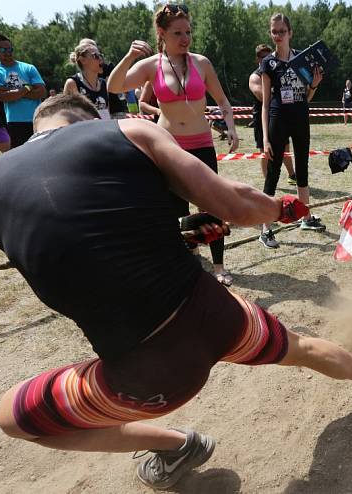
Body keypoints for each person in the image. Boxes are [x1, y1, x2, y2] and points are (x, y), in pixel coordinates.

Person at [0, 93, 352, 490]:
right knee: (301, 347)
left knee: (13, 419)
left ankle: (177, 445)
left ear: (37, 131)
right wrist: (280, 208)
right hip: (217, 316)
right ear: (91, 120)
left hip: (149, 374)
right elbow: (235, 205)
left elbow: (70, 257)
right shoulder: (129, 130)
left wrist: (176, 238)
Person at [107, 4, 240, 286]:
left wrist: (231, 128)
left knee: (210, 203)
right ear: (162, 33)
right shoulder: (151, 65)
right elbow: (114, 86)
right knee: (173, 209)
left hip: (202, 143)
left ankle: (218, 267)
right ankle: (182, 264)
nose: (185, 38)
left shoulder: (202, 63)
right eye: (178, 32)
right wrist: (130, 56)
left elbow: (223, 101)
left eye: (188, 32)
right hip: (167, 145)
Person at [259, 12, 327, 246]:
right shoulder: (268, 63)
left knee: (303, 168)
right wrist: (266, 139)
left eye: (282, 31)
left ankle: (305, 217)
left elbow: (306, 96)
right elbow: (266, 104)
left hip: (300, 117)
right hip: (278, 118)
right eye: (274, 31)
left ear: (290, 33)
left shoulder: (302, 59)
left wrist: (315, 85)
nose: (278, 35)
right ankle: (266, 227)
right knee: (275, 170)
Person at [247, 43, 296, 228]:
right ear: (257, 59)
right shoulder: (254, 76)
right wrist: (277, 89)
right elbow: (262, 96)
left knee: (285, 148)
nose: (265, 58)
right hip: (262, 119)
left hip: (278, 119)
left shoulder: (276, 71)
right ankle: (267, 182)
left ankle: (292, 175)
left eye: (267, 55)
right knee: (265, 152)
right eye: (261, 56)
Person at [0, 34, 46, 148]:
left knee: (41, 152)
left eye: (10, 49)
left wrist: (11, 91)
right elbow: (4, 97)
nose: (8, 52)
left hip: (37, 118)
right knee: (21, 156)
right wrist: (28, 87)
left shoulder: (29, 68)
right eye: (3, 49)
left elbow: (41, 92)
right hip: (15, 122)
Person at [64, 40, 110, 120]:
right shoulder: (72, 83)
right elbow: (68, 116)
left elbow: (106, 112)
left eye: (101, 56)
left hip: (103, 129)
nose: (101, 60)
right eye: (95, 56)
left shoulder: (103, 83)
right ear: (83, 60)